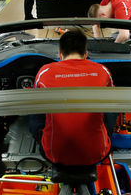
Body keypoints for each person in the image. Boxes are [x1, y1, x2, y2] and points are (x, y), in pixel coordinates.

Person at [31, 30, 114, 166]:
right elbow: (112, 106)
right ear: (86, 54)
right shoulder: (103, 71)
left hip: (53, 154)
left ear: (60, 54)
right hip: (97, 153)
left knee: (35, 110)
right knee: (110, 109)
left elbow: (36, 107)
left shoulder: (44, 72)